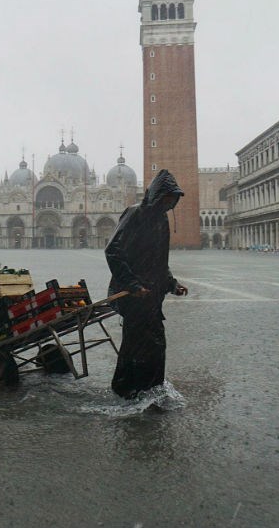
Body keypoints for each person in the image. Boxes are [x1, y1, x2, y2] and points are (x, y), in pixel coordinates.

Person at [104, 168, 188, 399]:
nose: (169, 206)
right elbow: (113, 250)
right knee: (136, 345)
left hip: (151, 296)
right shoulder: (134, 214)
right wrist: (132, 284)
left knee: (157, 344)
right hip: (133, 295)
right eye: (166, 200)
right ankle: (127, 389)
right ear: (156, 196)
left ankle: (152, 388)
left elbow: (160, 261)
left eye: (173, 202)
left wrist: (172, 284)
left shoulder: (161, 220)